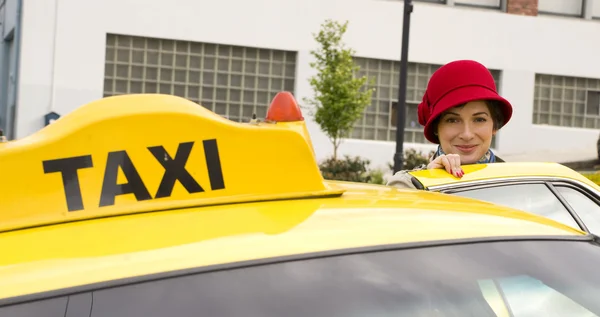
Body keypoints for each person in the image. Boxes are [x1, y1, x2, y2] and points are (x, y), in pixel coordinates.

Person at [386, 60, 513, 189]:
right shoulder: (407, 186)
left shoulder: (517, 183)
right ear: (436, 127)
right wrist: (429, 185)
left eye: (479, 120)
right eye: (452, 120)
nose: (467, 134)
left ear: (494, 125)